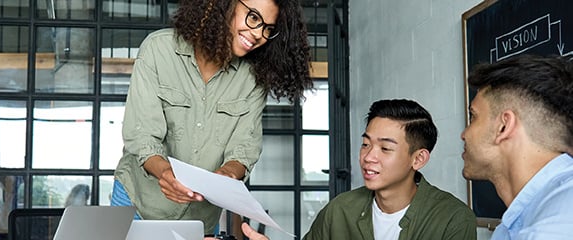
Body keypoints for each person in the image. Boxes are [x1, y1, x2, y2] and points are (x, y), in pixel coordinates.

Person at [111, 0, 313, 235]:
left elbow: (244, 150)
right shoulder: (158, 49)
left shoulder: (254, 79)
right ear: (223, 5)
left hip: (201, 217)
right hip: (137, 201)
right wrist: (165, 173)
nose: (258, 34)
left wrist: (227, 174)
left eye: (268, 29)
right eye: (254, 18)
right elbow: (142, 133)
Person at [242, 99, 477, 240]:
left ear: (418, 159)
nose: (368, 156)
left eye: (385, 148)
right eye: (366, 144)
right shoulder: (340, 210)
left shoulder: (452, 219)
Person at [460, 55, 573, 239]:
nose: (464, 134)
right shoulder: (507, 230)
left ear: (503, 127)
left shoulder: (557, 225)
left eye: (474, 116)